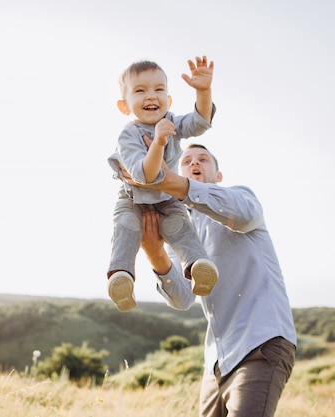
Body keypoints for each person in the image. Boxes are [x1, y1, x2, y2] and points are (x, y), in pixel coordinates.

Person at [136, 144, 298, 417]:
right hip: (217, 361)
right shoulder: (181, 232)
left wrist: (176, 184)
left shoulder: (240, 197)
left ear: (218, 175)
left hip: (261, 343)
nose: (194, 163)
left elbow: (243, 216)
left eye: (203, 159)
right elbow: (183, 297)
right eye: (186, 161)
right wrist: (154, 253)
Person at [106, 57, 219, 312]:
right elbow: (144, 174)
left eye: (159, 89)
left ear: (168, 101)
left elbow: (199, 122)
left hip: (167, 200)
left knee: (180, 227)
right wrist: (158, 143)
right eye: (140, 90)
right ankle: (122, 276)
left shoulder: (170, 121)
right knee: (126, 227)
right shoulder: (128, 134)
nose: (151, 96)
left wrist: (203, 91)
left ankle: (198, 266)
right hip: (133, 199)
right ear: (125, 106)